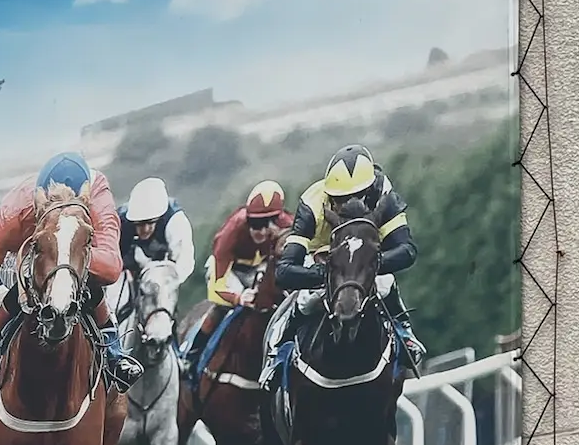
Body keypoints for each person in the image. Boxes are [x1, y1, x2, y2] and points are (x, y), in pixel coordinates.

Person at [0, 153, 128, 425]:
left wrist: (67, 255)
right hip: (29, 258)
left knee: (91, 288)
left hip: (76, 259)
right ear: (38, 204)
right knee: (16, 293)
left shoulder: (97, 192)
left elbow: (111, 267)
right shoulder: (14, 212)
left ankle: (115, 356)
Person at [265, 145, 425, 391]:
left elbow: (407, 250)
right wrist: (326, 273)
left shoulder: (384, 193)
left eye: (357, 196)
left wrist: (368, 265)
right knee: (307, 299)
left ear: (369, 191)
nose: (348, 205)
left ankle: (404, 333)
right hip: (322, 255)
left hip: (364, 254)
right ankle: (279, 348)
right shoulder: (312, 204)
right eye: (339, 200)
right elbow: (285, 271)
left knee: (384, 283)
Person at [180, 181, 288, 383]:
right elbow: (216, 288)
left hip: (262, 266)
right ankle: (191, 355)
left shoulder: (287, 225)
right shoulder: (231, 232)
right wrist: (238, 298)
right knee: (222, 307)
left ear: (278, 219)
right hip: (230, 270)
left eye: (268, 223)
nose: (261, 231)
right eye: (255, 224)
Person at [117, 176, 196, 313]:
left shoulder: (176, 221)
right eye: (139, 224)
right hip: (129, 267)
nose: (145, 229)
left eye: (150, 222)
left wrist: (163, 282)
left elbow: (185, 263)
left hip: (164, 271)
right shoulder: (120, 221)